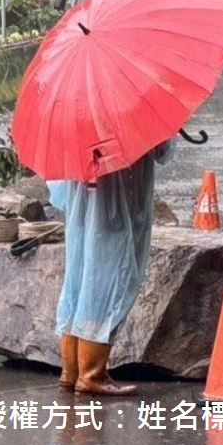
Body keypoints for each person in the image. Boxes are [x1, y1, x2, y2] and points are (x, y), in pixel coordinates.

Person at [49, 138, 174, 396]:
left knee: (80, 280)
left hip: (82, 199)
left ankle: (71, 370)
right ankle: (92, 373)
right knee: (107, 281)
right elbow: (161, 150)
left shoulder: (76, 106)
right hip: (118, 201)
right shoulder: (131, 104)